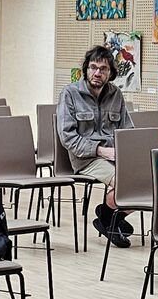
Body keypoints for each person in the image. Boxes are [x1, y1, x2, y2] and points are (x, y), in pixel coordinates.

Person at [56, 44, 133, 247]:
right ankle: (111, 218)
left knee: (149, 180)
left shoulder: (116, 94)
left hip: (115, 156)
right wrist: (101, 151)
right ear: (86, 68)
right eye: (93, 67)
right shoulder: (70, 93)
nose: (97, 73)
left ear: (111, 73)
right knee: (126, 183)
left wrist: (128, 153)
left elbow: (128, 131)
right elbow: (67, 137)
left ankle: (108, 216)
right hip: (86, 159)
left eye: (103, 69)